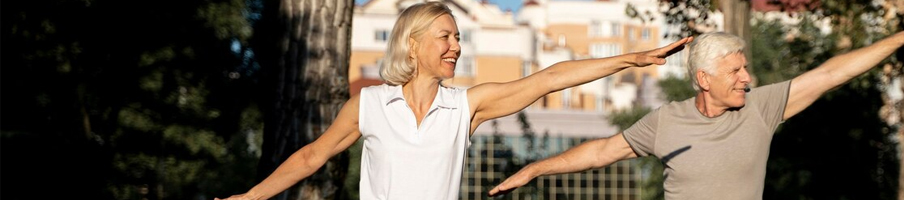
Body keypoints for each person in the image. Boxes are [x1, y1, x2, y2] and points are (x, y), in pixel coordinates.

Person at [217, 2, 691, 200]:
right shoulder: (370, 104)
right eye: (445, 36)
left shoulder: (466, 106)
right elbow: (312, 155)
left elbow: (550, 78)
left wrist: (630, 58)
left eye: (459, 37)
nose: (456, 46)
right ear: (412, 44)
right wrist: (252, 197)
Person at [488, 10, 904, 199]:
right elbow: (600, 152)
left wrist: (903, 38)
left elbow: (832, 73)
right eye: (736, 71)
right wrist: (534, 170)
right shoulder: (664, 121)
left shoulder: (761, 107)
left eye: (746, 69)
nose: (748, 78)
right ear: (704, 79)